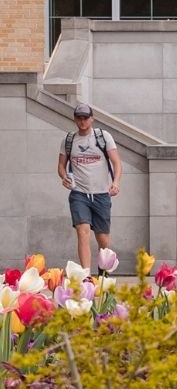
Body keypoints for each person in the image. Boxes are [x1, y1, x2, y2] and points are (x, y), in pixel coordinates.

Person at [56, 103, 122, 270]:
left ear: (92, 118)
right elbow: (61, 166)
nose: (82, 121)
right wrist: (64, 178)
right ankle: (86, 275)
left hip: (101, 194)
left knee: (103, 240)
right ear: (75, 119)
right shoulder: (69, 140)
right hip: (79, 194)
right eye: (79, 118)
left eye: (86, 117)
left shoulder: (103, 136)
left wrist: (115, 182)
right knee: (82, 231)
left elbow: (117, 163)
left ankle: (103, 273)